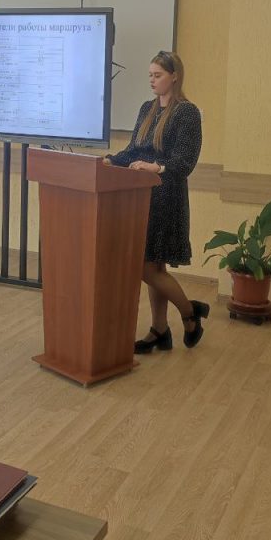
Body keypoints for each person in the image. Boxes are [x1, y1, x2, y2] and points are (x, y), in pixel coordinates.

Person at [105, 51, 208, 352]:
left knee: (146, 268)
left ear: (174, 76)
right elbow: (133, 150)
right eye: (150, 75)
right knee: (155, 266)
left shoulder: (187, 113)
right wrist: (110, 160)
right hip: (143, 197)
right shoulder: (146, 109)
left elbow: (185, 162)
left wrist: (156, 167)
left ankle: (189, 311)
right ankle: (160, 330)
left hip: (167, 198)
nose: (152, 80)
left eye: (158, 75)